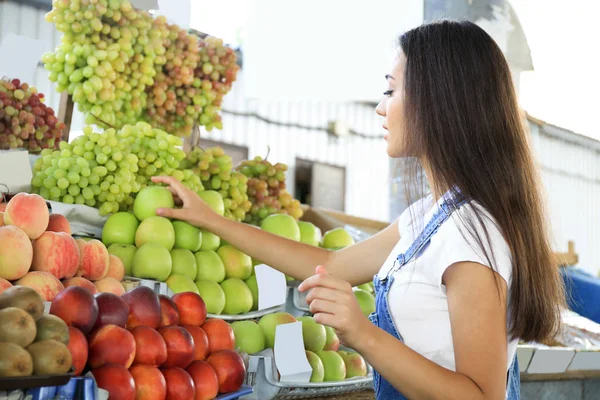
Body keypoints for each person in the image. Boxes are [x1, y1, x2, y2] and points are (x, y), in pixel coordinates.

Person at [152, 19, 565, 400]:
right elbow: (329, 264)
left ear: (439, 100)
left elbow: (481, 396)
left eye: (391, 90)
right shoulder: (432, 215)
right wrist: (211, 220)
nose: (380, 107)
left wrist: (361, 334)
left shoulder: (472, 232)